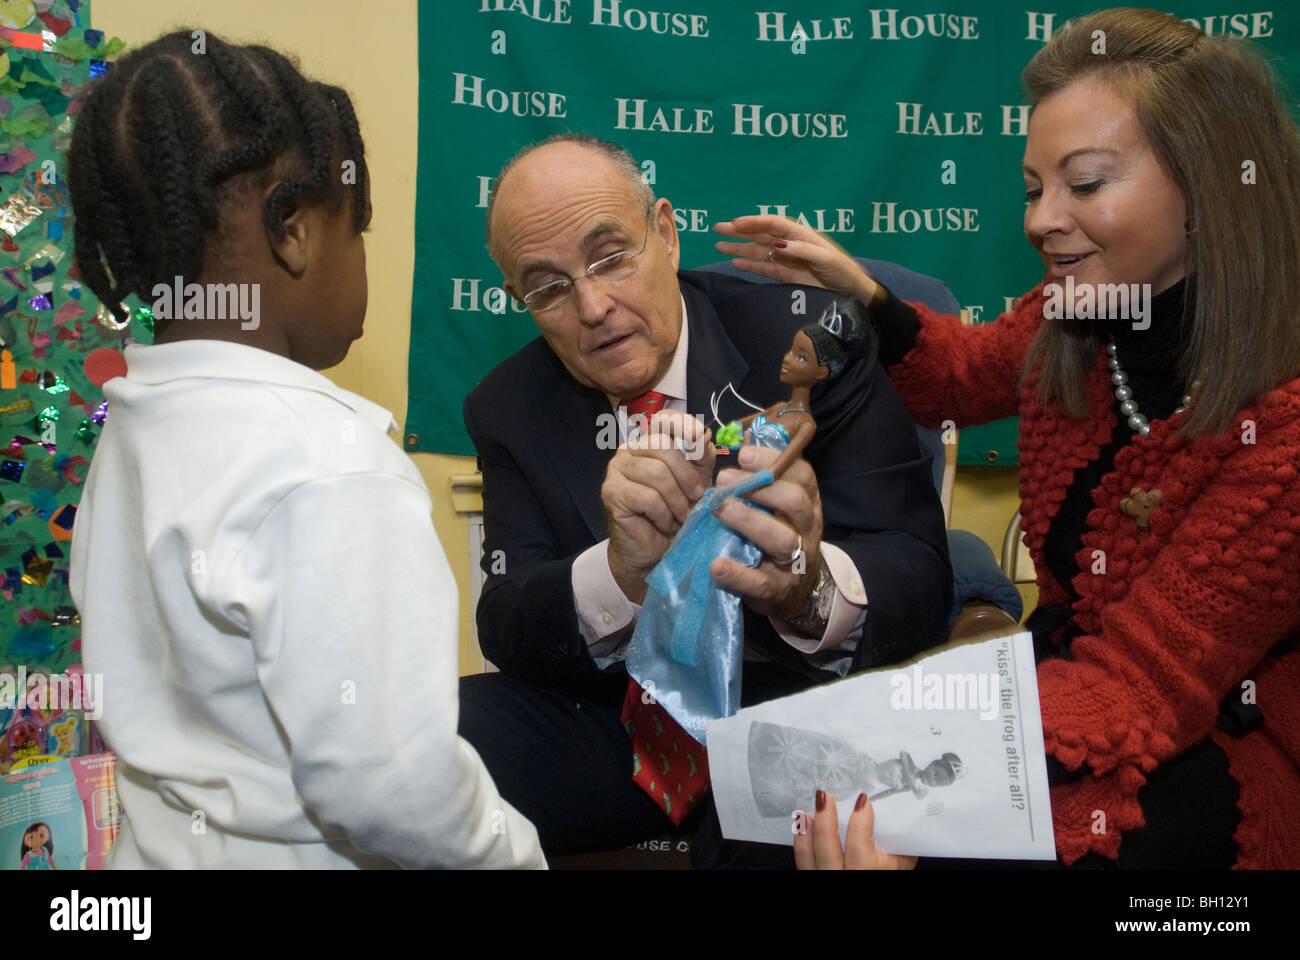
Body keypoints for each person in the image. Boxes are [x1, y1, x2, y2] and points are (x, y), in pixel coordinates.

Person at [716, 7, 1300, 868]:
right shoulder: (1076, 314)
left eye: (1086, 183)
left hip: (1213, 740)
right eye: (1034, 189)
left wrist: (904, 775)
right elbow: (959, 372)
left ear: (1207, 188)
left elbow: (1143, 684)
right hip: (1065, 682)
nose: (1041, 221)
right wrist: (861, 288)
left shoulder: (1282, 427)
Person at [66, 30, 543, 869]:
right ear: (292, 229)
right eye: (357, 229)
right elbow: (394, 790)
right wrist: (513, 853)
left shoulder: (136, 425)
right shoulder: (329, 460)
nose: (362, 259)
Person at [460, 133, 953, 867]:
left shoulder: (809, 342)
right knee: (425, 741)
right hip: (623, 725)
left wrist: (806, 590)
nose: (593, 305)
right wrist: (621, 575)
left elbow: (919, 572)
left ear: (664, 233)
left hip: (794, 709)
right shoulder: (507, 406)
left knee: (760, 839)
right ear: (519, 299)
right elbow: (508, 621)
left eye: (611, 256)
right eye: (550, 286)